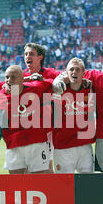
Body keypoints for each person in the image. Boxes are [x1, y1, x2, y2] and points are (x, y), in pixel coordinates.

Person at [0, 64, 53, 174]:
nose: (9, 80)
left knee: (40, 182)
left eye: (13, 77)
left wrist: (40, 79)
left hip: (37, 143)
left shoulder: (36, 87)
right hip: (14, 145)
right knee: (17, 184)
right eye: (7, 77)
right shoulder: (2, 95)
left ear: (22, 78)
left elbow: (52, 84)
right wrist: (5, 89)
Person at [22, 43, 61, 173]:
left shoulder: (52, 74)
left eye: (31, 54)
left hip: (46, 130)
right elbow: (6, 86)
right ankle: (29, 192)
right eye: (26, 54)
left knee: (47, 166)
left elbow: (67, 79)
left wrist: (44, 80)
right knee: (26, 168)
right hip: (27, 129)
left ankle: (52, 193)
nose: (28, 56)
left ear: (40, 57)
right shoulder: (21, 76)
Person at [52, 57, 95, 173]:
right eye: (71, 69)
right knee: (64, 186)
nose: (74, 72)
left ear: (83, 73)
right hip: (62, 147)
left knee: (87, 184)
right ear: (66, 73)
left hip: (85, 146)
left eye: (77, 69)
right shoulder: (56, 90)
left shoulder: (90, 89)